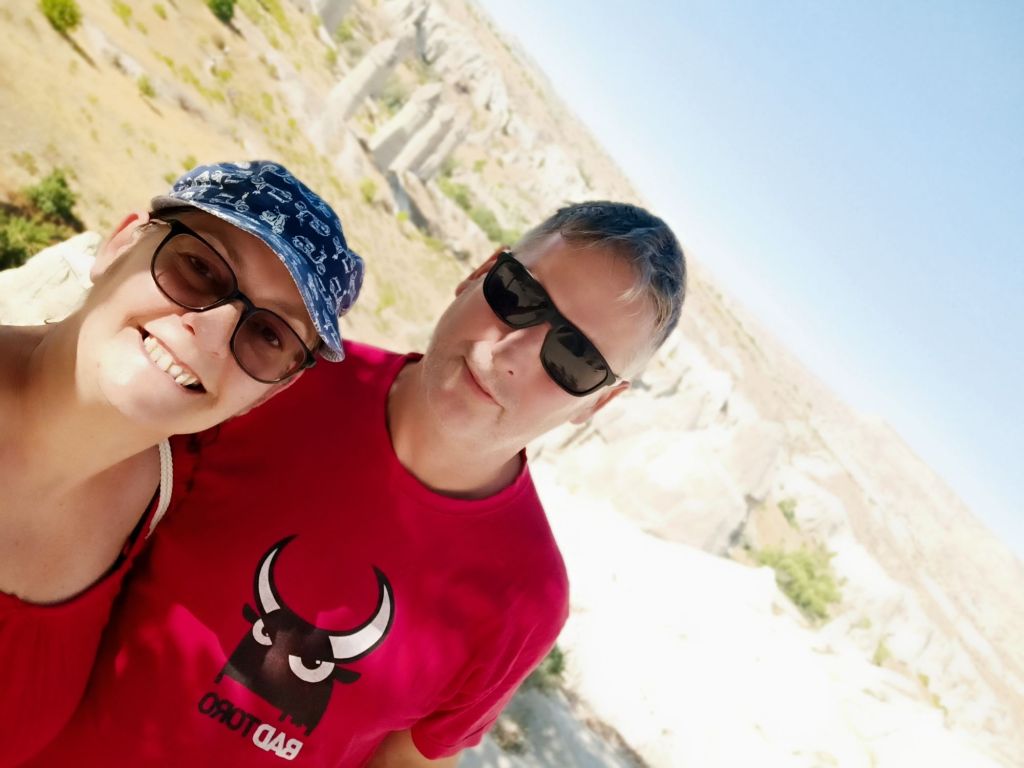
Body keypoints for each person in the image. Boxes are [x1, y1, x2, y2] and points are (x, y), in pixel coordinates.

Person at [29, 201, 685, 767]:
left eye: (573, 357)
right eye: (517, 295)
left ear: (598, 402)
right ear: (480, 273)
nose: (509, 353)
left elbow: (408, 759)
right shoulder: (270, 376)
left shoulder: (526, 597)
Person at [0, 160, 363, 766]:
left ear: (272, 391)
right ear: (119, 245)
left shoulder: (165, 505)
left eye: (269, 334)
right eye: (199, 267)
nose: (214, 332)